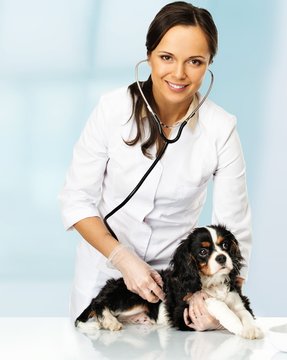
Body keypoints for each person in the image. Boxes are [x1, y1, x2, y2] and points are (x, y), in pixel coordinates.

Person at [58, 1, 252, 331]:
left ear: (208, 65)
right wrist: (121, 257)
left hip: (177, 289)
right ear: (149, 55)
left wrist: (217, 306)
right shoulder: (111, 110)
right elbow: (76, 201)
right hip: (105, 275)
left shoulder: (221, 129)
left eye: (195, 61)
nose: (179, 74)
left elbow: (235, 230)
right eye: (167, 58)